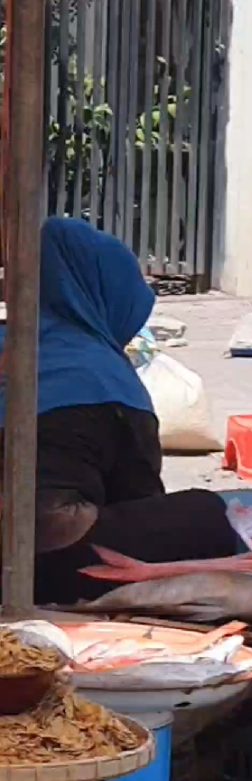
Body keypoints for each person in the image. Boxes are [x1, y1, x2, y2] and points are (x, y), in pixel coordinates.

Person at [0, 218, 238, 603]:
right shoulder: (106, 377)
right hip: (40, 567)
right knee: (211, 514)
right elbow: (139, 499)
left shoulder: (9, 345)